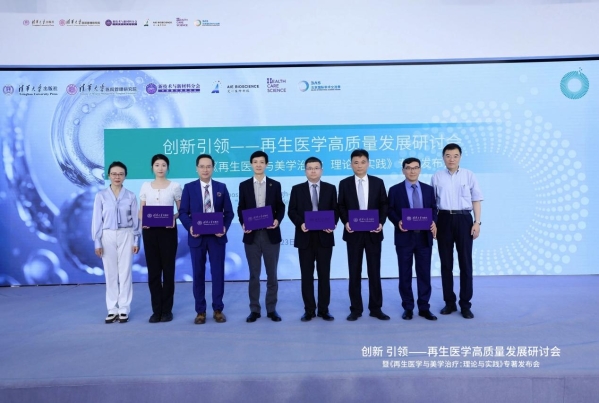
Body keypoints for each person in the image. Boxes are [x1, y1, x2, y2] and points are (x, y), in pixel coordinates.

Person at [179, 154, 234, 325]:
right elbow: (183, 212)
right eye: (202, 166)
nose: (205, 169)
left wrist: (224, 227)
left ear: (213, 168)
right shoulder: (189, 188)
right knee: (198, 274)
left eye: (208, 166)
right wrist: (190, 227)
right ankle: (200, 311)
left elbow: (229, 213)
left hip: (217, 238)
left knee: (217, 273)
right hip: (197, 237)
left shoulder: (221, 187)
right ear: (197, 168)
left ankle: (218, 309)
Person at [431, 143, 483, 319]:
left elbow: (476, 199)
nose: (451, 159)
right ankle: (449, 302)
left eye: (455, 156)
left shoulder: (469, 175)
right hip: (443, 219)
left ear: (460, 157)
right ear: (443, 157)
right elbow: (432, 204)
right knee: (446, 264)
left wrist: (477, 222)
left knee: (465, 263)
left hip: (464, 219)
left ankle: (465, 304)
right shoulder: (437, 177)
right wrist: (434, 223)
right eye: (448, 155)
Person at [338, 149, 390, 321]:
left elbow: (384, 204)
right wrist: (346, 222)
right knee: (354, 272)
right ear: (351, 164)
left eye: (362, 162)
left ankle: (376, 308)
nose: (359, 166)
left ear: (368, 163)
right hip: (353, 234)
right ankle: (356, 309)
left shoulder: (378, 182)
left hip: (373, 233)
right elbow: (341, 206)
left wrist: (381, 222)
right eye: (356, 162)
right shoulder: (344, 183)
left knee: (374, 271)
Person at [288, 157, 339, 322]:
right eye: (310, 168)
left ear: (321, 170)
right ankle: (309, 310)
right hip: (305, 237)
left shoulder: (330, 188)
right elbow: (291, 211)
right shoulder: (297, 189)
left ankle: (324, 310)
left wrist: (332, 224)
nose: (313, 171)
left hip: (324, 237)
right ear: (305, 171)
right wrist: (300, 223)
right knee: (306, 276)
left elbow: (336, 210)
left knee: (324, 275)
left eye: (316, 168)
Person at [387, 157, 438, 321]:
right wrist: (398, 221)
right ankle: (408, 307)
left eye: (415, 167)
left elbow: (434, 209)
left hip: (424, 237)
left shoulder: (429, 190)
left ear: (420, 169)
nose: (412, 171)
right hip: (404, 237)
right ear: (403, 170)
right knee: (405, 274)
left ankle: (424, 307)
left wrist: (434, 222)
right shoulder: (395, 190)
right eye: (408, 168)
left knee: (424, 274)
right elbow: (389, 210)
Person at [238, 151, 285, 323]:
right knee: (254, 275)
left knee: (272, 274)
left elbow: (280, 206)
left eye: (262, 162)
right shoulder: (244, 185)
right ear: (251, 164)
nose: (258, 165)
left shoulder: (275, 184)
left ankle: (271, 309)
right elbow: (241, 208)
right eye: (255, 162)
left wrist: (277, 220)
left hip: (270, 234)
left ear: (266, 164)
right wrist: (243, 222)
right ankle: (254, 309)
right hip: (252, 235)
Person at [92, 161, 140, 324]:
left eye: (120, 174)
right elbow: (97, 220)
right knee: (110, 272)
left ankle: (124, 307)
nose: (117, 177)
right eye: (114, 174)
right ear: (108, 175)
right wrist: (97, 242)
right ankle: (112, 308)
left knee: (125, 272)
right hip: (107, 235)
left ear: (125, 176)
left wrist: (136, 239)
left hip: (127, 233)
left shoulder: (131, 196)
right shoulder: (101, 196)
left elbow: (136, 220)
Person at [139, 154, 182, 323]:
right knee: (153, 272)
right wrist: (144, 220)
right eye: (157, 165)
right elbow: (141, 211)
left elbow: (182, 210)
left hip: (168, 231)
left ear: (167, 167)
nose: (160, 168)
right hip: (150, 232)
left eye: (163, 165)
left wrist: (173, 218)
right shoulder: (145, 186)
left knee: (168, 271)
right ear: (152, 167)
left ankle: (167, 310)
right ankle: (156, 310)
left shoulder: (175, 186)